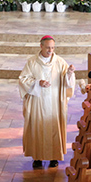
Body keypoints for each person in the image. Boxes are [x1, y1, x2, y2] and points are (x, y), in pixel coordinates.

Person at [18, 35, 75, 169]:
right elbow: (23, 79)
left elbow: (67, 82)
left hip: (55, 102)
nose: (50, 51)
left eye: (53, 48)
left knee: (54, 128)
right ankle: (37, 157)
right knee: (37, 127)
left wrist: (70, 74)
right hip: (38, 102)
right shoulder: (32, 62)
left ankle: (54, 157)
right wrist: (38, 83)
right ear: (41, 46)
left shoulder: (60, 62)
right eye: (48, 48)